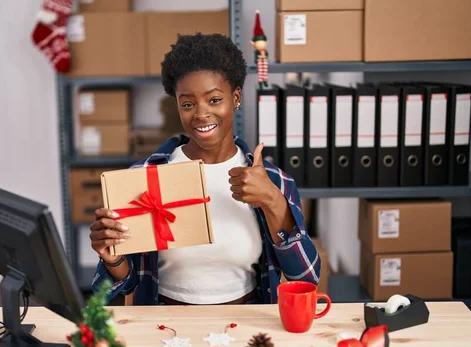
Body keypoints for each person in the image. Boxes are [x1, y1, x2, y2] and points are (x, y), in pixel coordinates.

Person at [89, 33, 320, 306]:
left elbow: (305, 279)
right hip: (167, 326)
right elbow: (123, 286)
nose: (200, 114)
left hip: (244, 324)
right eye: (187, 104)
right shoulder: (146, 177)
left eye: (214, 100)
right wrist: (111, 255)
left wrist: (272, 200)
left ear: (235, 98)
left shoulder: (273, 181)